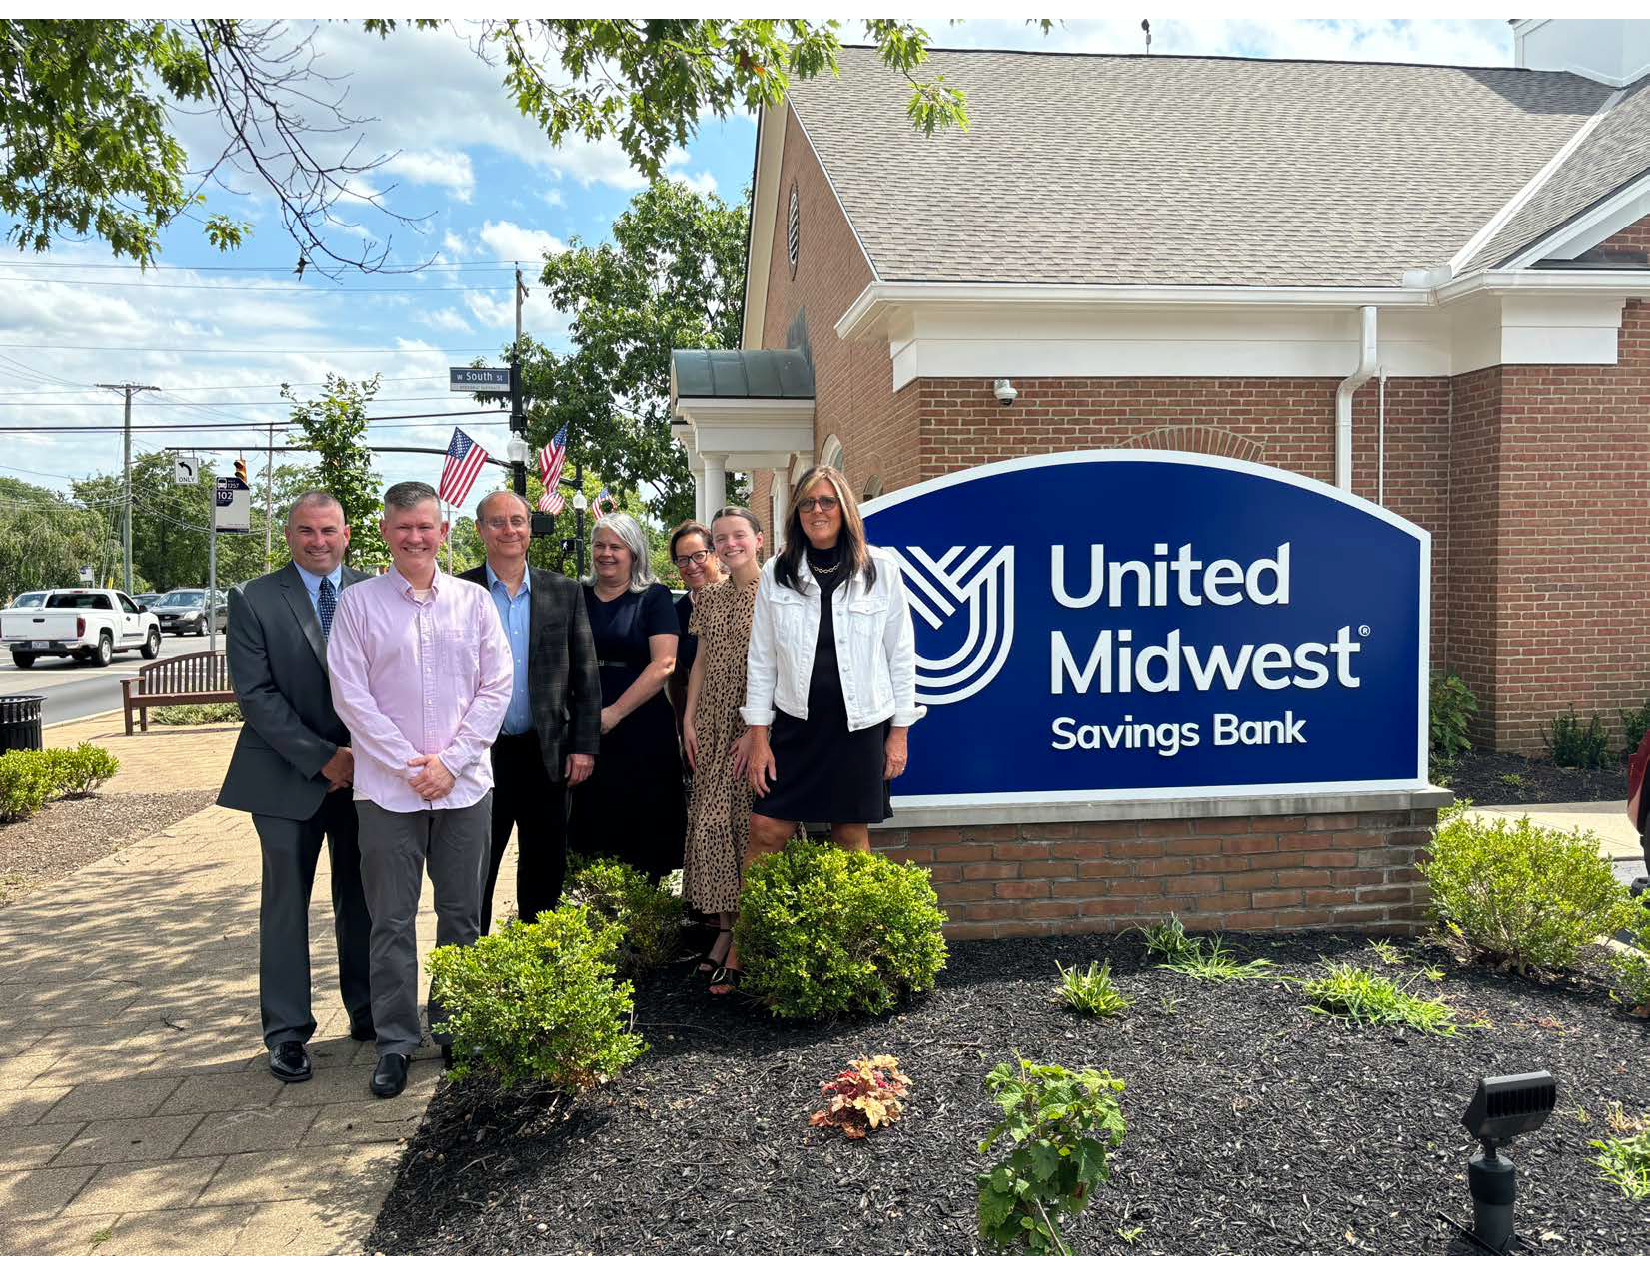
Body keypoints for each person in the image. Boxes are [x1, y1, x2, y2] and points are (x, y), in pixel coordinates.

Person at [328, 481, 512, 1099]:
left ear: (444, 532)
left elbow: (496, 687)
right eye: (403, 527)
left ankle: (459, 1027)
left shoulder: (474, 603)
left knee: (463, 914)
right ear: (385, 531)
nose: (415, 537)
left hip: (464, 790)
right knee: (391, 921)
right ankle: (397, 1042)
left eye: (426, 526)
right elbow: (351, 696)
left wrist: (451, 762)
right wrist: (412, 764)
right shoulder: (357, 605)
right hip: (387, 793)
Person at [725, 466, 925, 990]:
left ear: (844, 509)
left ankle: (853, 948)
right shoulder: (778, 571)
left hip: (860, 724)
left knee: (849, 833)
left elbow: (900, 654)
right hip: (794, 723)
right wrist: (759, 733)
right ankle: (748, 945)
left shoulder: (880, 568)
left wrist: (899, 732)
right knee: (766, 829)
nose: (818, 511)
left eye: (828, 502)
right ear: (796, 512)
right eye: (808, 503)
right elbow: (762, 657)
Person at [218, 491, 374, 1083]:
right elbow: (256, 697)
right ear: (289, 535)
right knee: (286, 906)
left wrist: (365, 757)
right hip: (286, 777)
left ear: (348, 532)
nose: (318, 541)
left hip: (366, 775)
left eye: (328, 530)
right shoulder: (255, 598)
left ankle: (366, 1011)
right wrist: (325, 759)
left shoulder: (372, 591)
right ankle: (286, 1032)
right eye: (306, 531)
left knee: (364, 897)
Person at [458, 489, 601, 933]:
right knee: (473, 871)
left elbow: (585, 674)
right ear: (480, 530)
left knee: (543, 870)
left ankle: (537, 973)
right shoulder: (458, 593)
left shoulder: (564, 591)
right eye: (496, 522)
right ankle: (467, 973)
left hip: (548, 753)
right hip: (479, 755)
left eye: (517, 521)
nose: (509, 531)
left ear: (530, 528)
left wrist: (584, 745)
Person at [566, 512, 684, 883]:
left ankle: (643, 927)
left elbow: (664, 664)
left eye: (615, 546)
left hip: (642, 727)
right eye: (600, 545)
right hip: (586, 724)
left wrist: (614, 713)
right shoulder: (575, 596)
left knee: (643, 826)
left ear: (634, 553)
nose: (606, 553)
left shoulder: (654, 598)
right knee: (590, 825)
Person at [681, 507, 764, 984]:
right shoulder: (708, 598)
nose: (730, 544)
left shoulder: (775, 593)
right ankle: (726, 930)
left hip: (751, 725)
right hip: (710, 723)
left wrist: (757, 731)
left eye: (738, 535)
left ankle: (745, 936)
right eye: (721, 538)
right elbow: (700, 663)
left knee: (746, 827)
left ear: (756, 538)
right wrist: (689, 719)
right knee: (711, 824)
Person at [665, 520, 724, 745]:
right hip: (702, 726)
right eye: (682, 559)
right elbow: (678, 679)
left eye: (699, 555)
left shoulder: (743, 596)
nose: (691, 566)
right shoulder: (679, 611)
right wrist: (682, 725)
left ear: (715, 555)